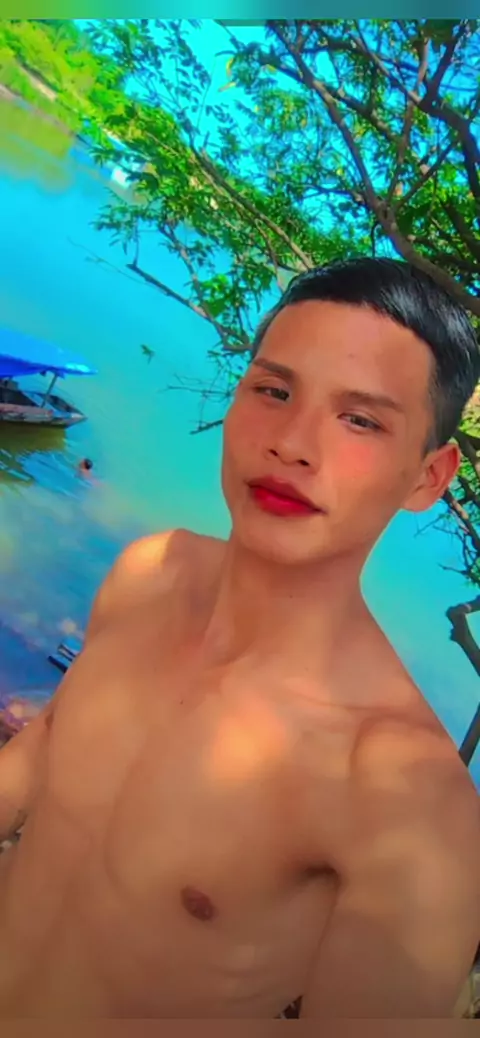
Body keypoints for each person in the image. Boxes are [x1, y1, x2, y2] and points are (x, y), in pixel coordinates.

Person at [0, 257, 478, 1019]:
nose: (293, 443)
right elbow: (38, 756)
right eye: (275, 391)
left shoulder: (404, 798)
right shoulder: (150, 574)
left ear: (429, 476)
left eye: (360, 420)